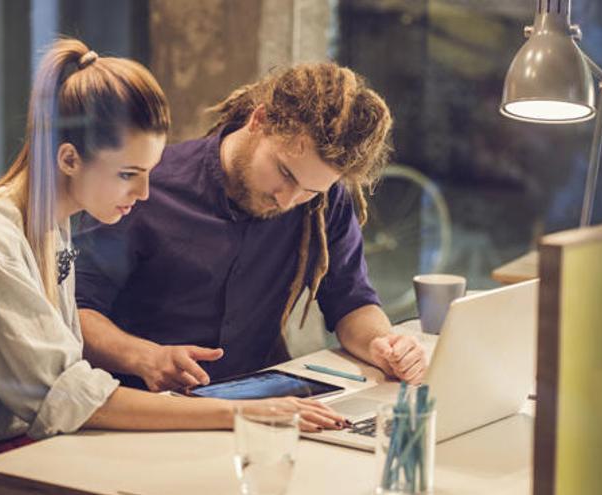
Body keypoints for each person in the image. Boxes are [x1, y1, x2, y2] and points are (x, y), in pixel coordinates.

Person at [0, 39, 344, 495]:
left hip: (20, 448)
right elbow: (65, 397)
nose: (142, 195)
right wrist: (242, 413)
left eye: (148, 173)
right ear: (69, 159)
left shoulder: (47, 225)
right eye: (128, 175)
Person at [74, 62, 427, 393]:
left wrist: (383, 344)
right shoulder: (146, 188)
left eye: (309, 190)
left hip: (260, 404)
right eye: (285, 173)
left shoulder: (323, 201)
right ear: (260, 120)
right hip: (142, 407)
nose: (288, 199)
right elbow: (77, 312)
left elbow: (351, 300)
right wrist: (145, 357)